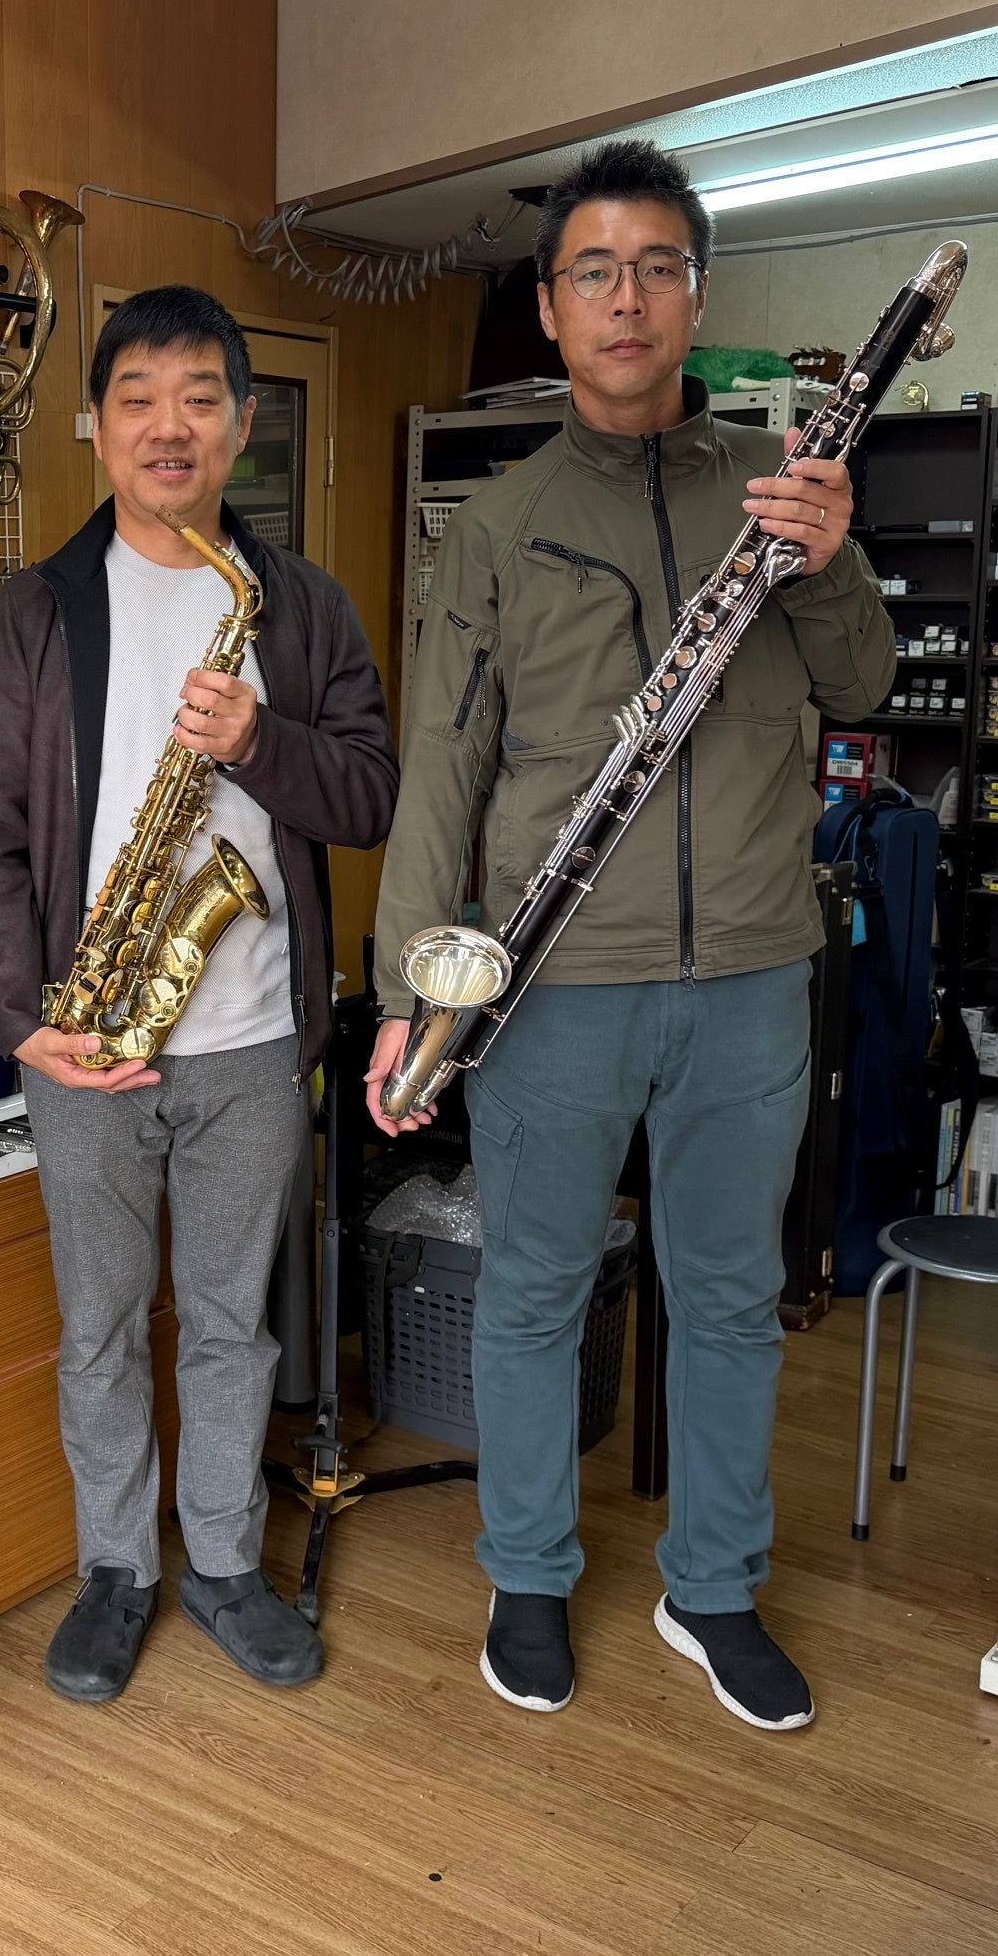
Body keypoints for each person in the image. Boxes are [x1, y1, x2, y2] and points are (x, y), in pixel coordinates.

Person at [368, 141, 893, 1731]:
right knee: (534, 1287)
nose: (626, 298)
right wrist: (412, 991)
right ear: (548, 306)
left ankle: (711, 1587)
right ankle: (528, 1572)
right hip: (556, 982)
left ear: (696, 295)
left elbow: (866, 683)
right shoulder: (500, 524)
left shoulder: (781, 489)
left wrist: (830, 555)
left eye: (658, 267)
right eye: (594, 271)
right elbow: (443, 771)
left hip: (752, 968)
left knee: (729, 1296)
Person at [0, 285, 397, 1701]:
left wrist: (262, 741)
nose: (168, 426)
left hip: (252, 1037)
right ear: (94, 426)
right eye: (137, 398)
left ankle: (220, 1560)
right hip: (86, 1040)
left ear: (242, 424)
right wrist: (22, 1019)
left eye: (200, 398)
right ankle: (114, 1569)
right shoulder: (37, 609)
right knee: (97, 1328)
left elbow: (371, 796)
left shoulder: (300, 605)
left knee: (230, 1323)